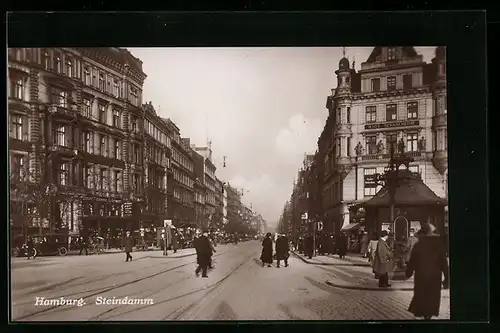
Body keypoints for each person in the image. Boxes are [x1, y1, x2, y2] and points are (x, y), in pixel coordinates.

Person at [406, 223, 449, 320]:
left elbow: (412, 260)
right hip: (434, 276)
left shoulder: (418, 244)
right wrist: (447, 278)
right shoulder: (439, 245)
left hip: (421, 276)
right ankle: (428, 316)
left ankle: (424, 315)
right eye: (434, 232)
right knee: (432, 297)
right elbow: (444, 263)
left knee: (422, 295)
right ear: (431, 232)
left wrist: (408, 272)